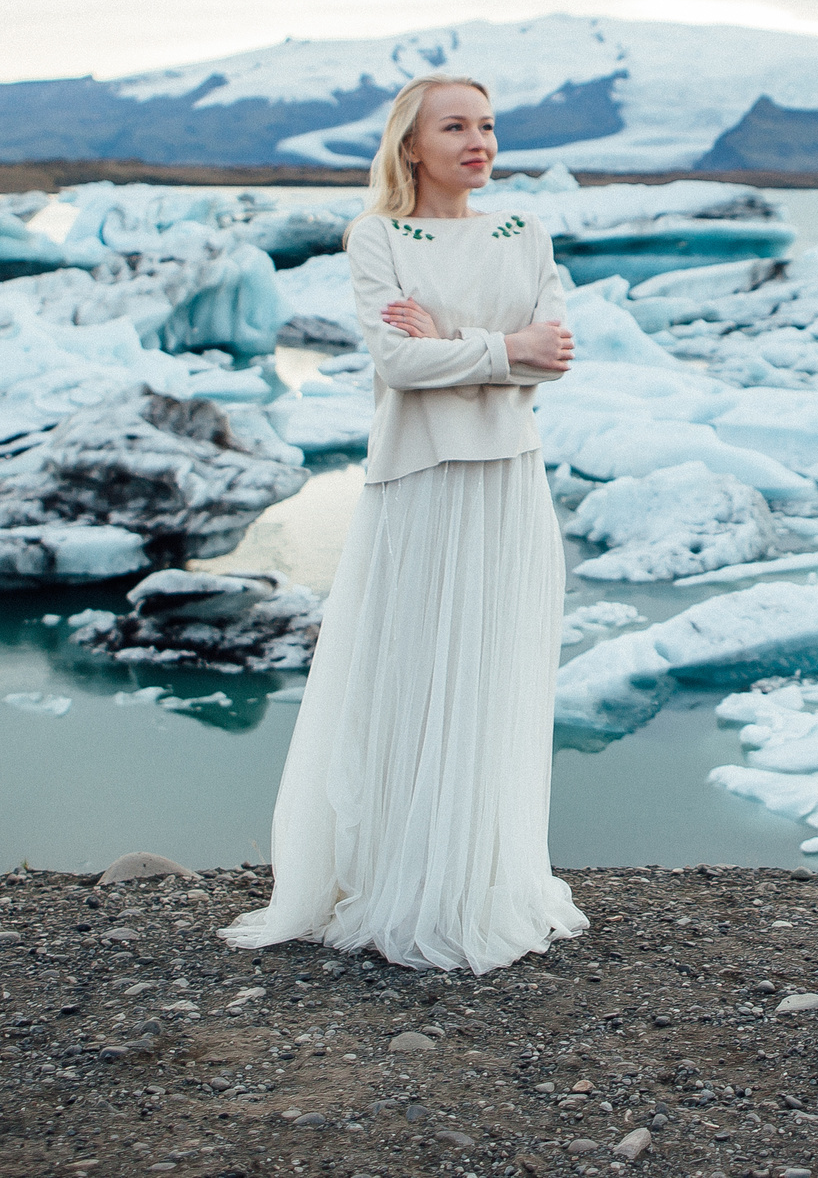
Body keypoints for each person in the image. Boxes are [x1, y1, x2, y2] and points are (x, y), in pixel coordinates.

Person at [219, 73, 589, 972]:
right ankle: (401, 878)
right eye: (455, 125)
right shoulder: (377, 236)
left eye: (489, 125)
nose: (480, 141)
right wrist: (497, 347)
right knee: (415, 671)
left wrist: (453, 344)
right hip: (419, 479)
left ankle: (478, 882)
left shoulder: (523, 230)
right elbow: (399, 357)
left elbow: (555, 354)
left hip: (508, 477)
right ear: (410, 145)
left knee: (493, 671)